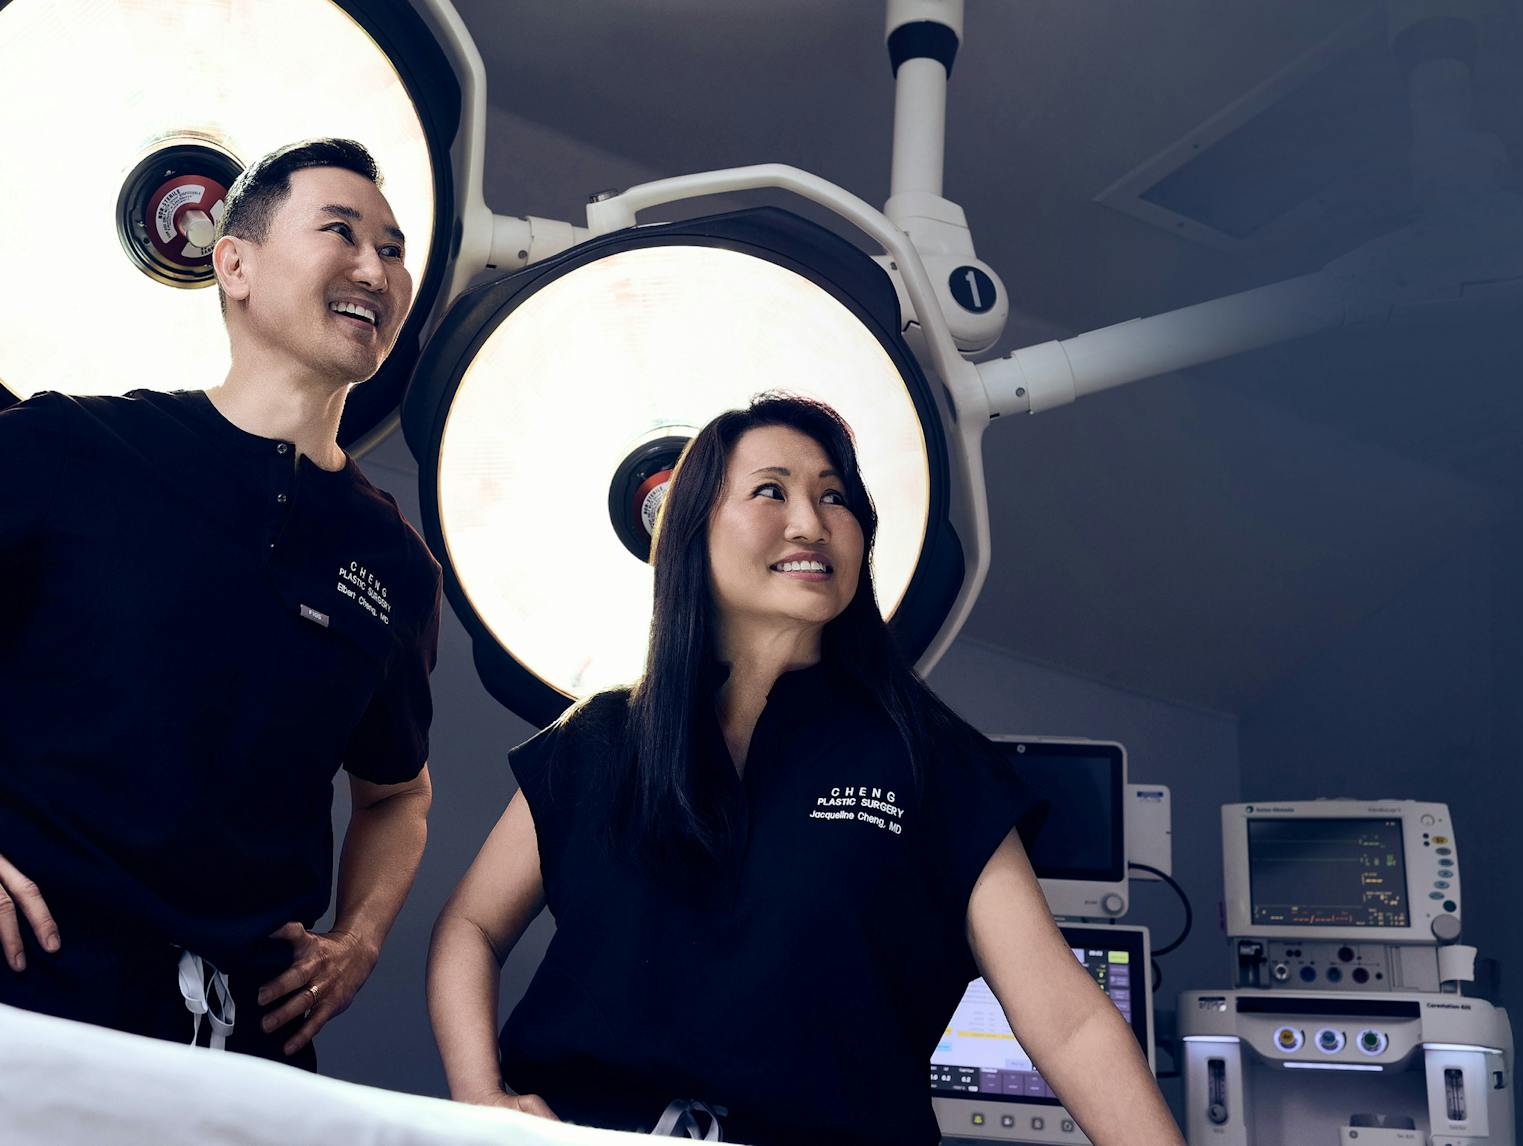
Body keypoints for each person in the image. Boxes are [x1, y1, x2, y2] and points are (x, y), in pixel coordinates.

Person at [427, 396, 1182, 1144]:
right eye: (770, 490)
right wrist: (479, 1093)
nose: (811, 523)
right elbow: (470, 925)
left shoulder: (927, 759)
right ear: (691, 530)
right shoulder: (601, 737)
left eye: (835, 497)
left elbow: (1069, 1020)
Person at [0, 139, 441, 1068]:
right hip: (28, 1005)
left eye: (395, 250)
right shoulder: (65, 448)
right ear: (232, 263)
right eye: (342, 232)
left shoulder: (394, 563)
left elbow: (398, 793)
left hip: (238, 1058)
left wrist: (359, 939)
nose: (377, 267)